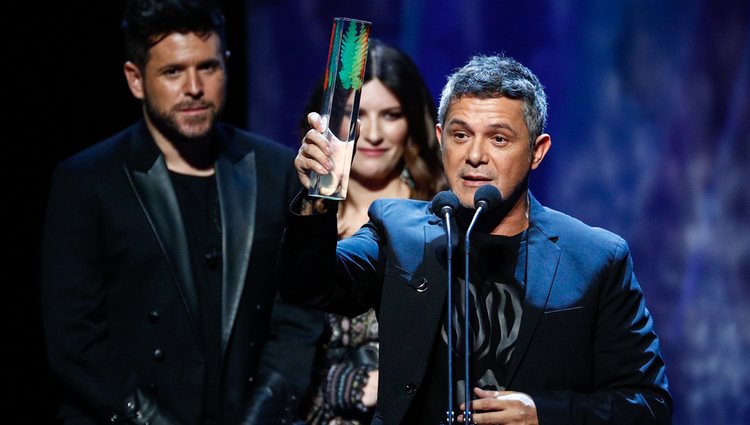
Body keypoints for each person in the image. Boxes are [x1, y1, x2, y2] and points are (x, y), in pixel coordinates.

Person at [279, 53, 672, 424]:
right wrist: (318, 196)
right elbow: (309, 285)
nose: (475, 155)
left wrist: (543, 413)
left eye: (499, 139)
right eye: (461, 135)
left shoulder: (594, 257)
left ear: (538, 151)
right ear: (439, 137)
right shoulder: (399, 231)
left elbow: (648, 404)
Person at [40, 0, 322, 424]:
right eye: (173, 72)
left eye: (207, 67)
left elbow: (297, 313)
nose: (194, 87)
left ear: (226, 66)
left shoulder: (272, 169)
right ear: (136, 79)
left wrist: (261, 414)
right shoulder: (89, 181)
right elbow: (75, 337)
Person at [297, 39, 446, 424]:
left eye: (392, 115)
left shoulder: (445, 211)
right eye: (356, 115)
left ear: (415, 119)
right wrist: (352, 383)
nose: (374, 134)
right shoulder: (305, 216)